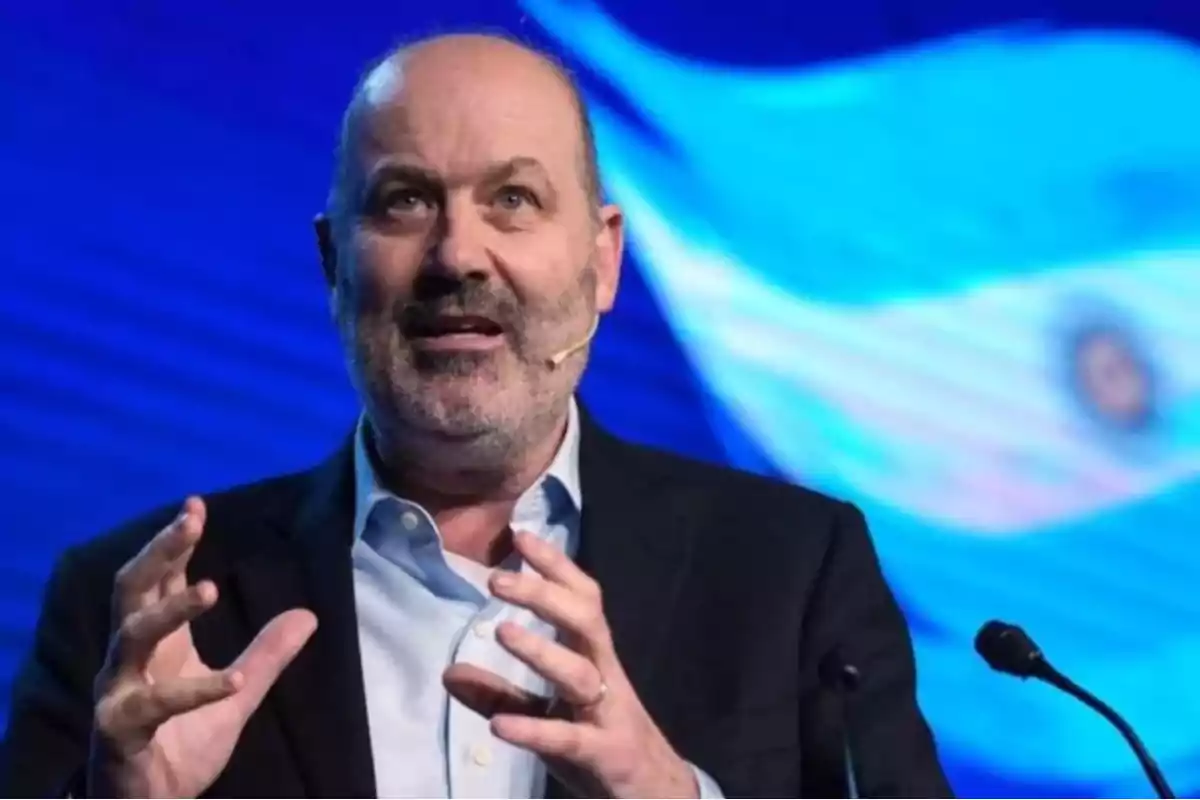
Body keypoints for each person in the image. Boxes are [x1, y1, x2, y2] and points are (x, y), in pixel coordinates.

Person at [0, 32, 951, 798]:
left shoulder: (793, 570)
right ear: (334, 263)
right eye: (406, 201)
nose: (458, 255)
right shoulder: (137, 609)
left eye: (514, 199)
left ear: (604, 260)